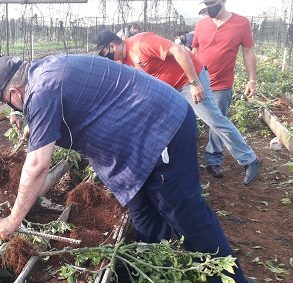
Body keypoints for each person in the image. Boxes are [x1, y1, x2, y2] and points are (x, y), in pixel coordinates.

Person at [0, 55, 261, 283]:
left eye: (7, 102)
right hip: (136, 139)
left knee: (188, 217)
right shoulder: (43, 73)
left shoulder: (41, 91)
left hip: (161, 129)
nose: (11, 107)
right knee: (143, 216)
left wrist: (13, 220)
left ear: (15, 92)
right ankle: (159, 277)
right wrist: (35, 126)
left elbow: (38, 165)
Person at [93, 30, 260, 185]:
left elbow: (179, 50)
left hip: (188, 81)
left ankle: (249, 159)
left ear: (112, 46)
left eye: (104, 53)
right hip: (169, 89)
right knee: (163, 126)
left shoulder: (141, 43)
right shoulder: (124, 60)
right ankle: (171, 170)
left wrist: (195, 83)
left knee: (214, 120)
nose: (105, 57)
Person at [192, 0, 259, 180]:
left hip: (222, 83)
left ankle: (213, 160)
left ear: (223, 1)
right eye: (206, 3)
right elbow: (195, 49)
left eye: (212, 3)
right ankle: (190, 155)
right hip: (198, 82)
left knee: (218, 122)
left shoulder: (241, 23)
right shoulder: (201, 24)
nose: (209, 7)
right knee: (191, 117)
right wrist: (192, 80)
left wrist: (251, 79)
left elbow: (248, 51)